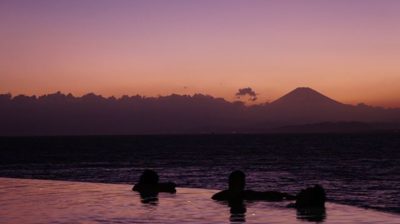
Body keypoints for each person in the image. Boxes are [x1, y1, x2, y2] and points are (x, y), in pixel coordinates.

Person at [212, 170, 295, 201]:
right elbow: (264, 195)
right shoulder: (247, 195)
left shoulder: (218, 196)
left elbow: (265, 194)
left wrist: (283, 195)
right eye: (241, 181)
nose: (243, 183)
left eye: (243, 181)